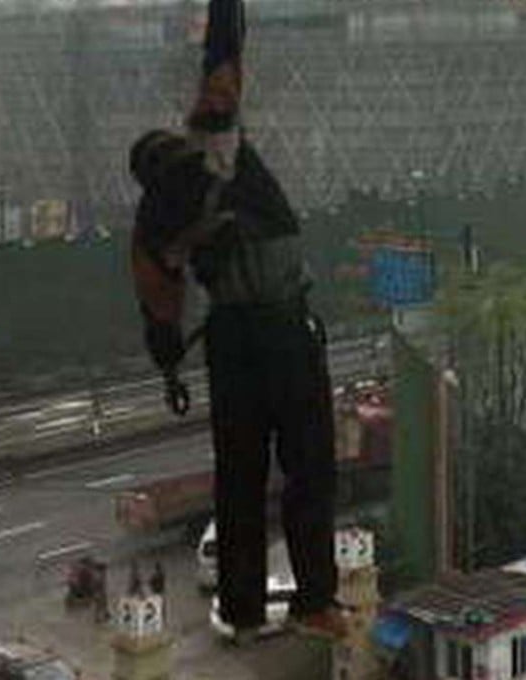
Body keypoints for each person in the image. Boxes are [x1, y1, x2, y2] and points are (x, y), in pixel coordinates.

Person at [128, 0, 345, 643]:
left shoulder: (150, 230)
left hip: (230, 344)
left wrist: (169, 366)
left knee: (240, 478)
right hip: (281, 327)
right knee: (309, 469)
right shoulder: (211, 151)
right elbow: (222, 63)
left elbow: (161, 315)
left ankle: (244, 606)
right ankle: (314, 600)